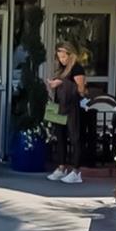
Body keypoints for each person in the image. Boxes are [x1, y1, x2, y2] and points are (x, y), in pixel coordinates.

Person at [46, 42, 88, 184]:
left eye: (64, 57)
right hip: (58, 105)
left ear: (71, 55)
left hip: (72, 106)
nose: (62, 60)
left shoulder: (77, 68)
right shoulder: (61, 69)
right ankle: (61, 167)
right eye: (60, 57)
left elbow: (80, 89)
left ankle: (76, 170)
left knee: (74, 137)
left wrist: (62, 83)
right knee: (60, 137)